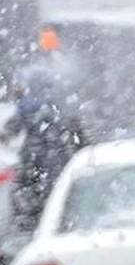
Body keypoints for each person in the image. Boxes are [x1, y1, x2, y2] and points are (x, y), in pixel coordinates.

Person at [1, 57, 87, 235]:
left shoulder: (26, 106)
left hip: (32, 164)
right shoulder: (59, 106)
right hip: (58, 163)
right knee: (56, 204)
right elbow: (77, 134)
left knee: (28, 206)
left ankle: (29, 233)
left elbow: (10, 129)